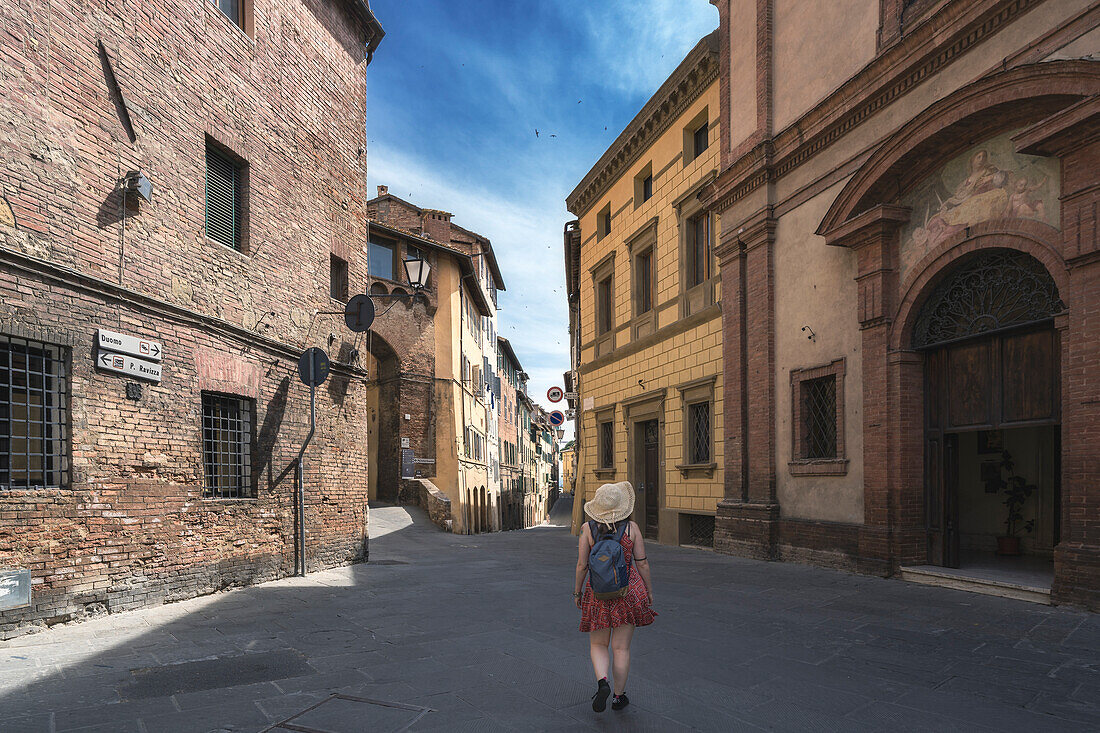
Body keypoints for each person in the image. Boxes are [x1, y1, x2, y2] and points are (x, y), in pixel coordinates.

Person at [573, 481, 655, 713]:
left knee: (598, 643)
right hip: (628, 592)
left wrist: (577, 592)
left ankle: (602, 683)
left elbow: (582, 565)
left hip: (597, 593)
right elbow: (643, 563)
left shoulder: (587, 529)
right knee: (621, 649)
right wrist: (648, 590)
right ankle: (619, 697)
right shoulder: (632, 528)